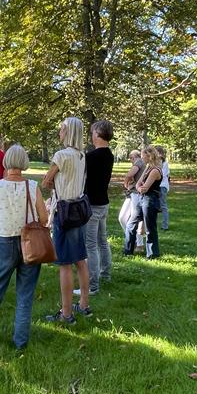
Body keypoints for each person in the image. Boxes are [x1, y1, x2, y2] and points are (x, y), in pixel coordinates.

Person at [0, 144, 50, 349]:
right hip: (29, 242)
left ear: (6, 161)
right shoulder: (32, 186)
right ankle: (20, 341)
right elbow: (44, 219)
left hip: (4, 242)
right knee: (25, 294)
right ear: (24, 162)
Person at [43, 116, 91, 324]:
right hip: (79, 210)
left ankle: (66, 313)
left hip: (64, 211)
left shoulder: (61, 155)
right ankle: (84, 304)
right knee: (80, 259)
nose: (59, 132)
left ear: (68, 131)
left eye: (62, 129)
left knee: (65, 263)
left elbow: (46, 181)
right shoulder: (82, 155)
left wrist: (57, 186)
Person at [81, 120, 115, 297]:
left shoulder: (92, 156)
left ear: (99, 133)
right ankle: (106, 274)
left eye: (93, 132)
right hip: (103, 202)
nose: (91, 135)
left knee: (91, 245)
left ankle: (92, 285)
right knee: (102, 240)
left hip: (93, 205)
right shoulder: (109, 154)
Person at [123, 145, 163, 259]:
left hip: (150, 199)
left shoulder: (155, 170)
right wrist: (140, 188)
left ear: (148, 155)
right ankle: (127, 250)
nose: (141, 158)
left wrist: (140, 188)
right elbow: (137, 184)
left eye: (142, 155)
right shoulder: (147, 168)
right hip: (141, 198)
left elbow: (145, 187)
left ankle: (152, 254)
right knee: (131, 223)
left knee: (150, 227)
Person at [121, 148, 146, 249]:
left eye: (131, 158)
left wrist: (125, 183)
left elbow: (130, 174)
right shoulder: (141, 163)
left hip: (136, 194)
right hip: (133, 193)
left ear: (133, 157)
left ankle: (138, 243)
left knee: (131, 219)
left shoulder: (138, 161)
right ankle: (135, 241)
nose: (131, 161)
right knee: (125, 218)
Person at [159, 146, 171, 230]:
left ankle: (165, 225)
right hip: (157, 186)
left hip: (162, 186)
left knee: (163, 206)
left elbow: (162, 175)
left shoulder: (165, 163)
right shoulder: (156, 162)